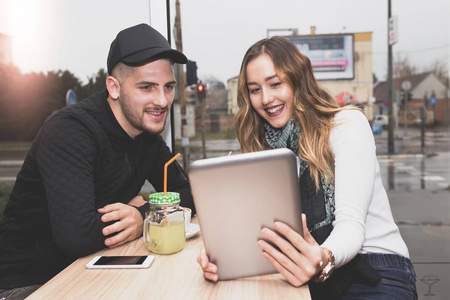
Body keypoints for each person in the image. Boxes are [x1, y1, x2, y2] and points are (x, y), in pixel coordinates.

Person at [197, 36, 417, 299]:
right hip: (310, 275)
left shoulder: (347, 124)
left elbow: (351, 227)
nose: (266, 98)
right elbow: (265, 234)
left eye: (275, 83)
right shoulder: (265, 153)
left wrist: (322, 259)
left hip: (376, 270)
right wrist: (222, 255)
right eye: (255, 90)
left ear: (298, 79)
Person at [0, 23, 195, 300]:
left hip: (90, 269)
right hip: (27, 285)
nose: (162, 101)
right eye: (147, 87)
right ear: (114, 88)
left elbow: (192, 194)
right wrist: (147, 212)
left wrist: (143, 211)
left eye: (168, 87)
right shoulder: (70, 130)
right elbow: (77, 237)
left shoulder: (146, 133)